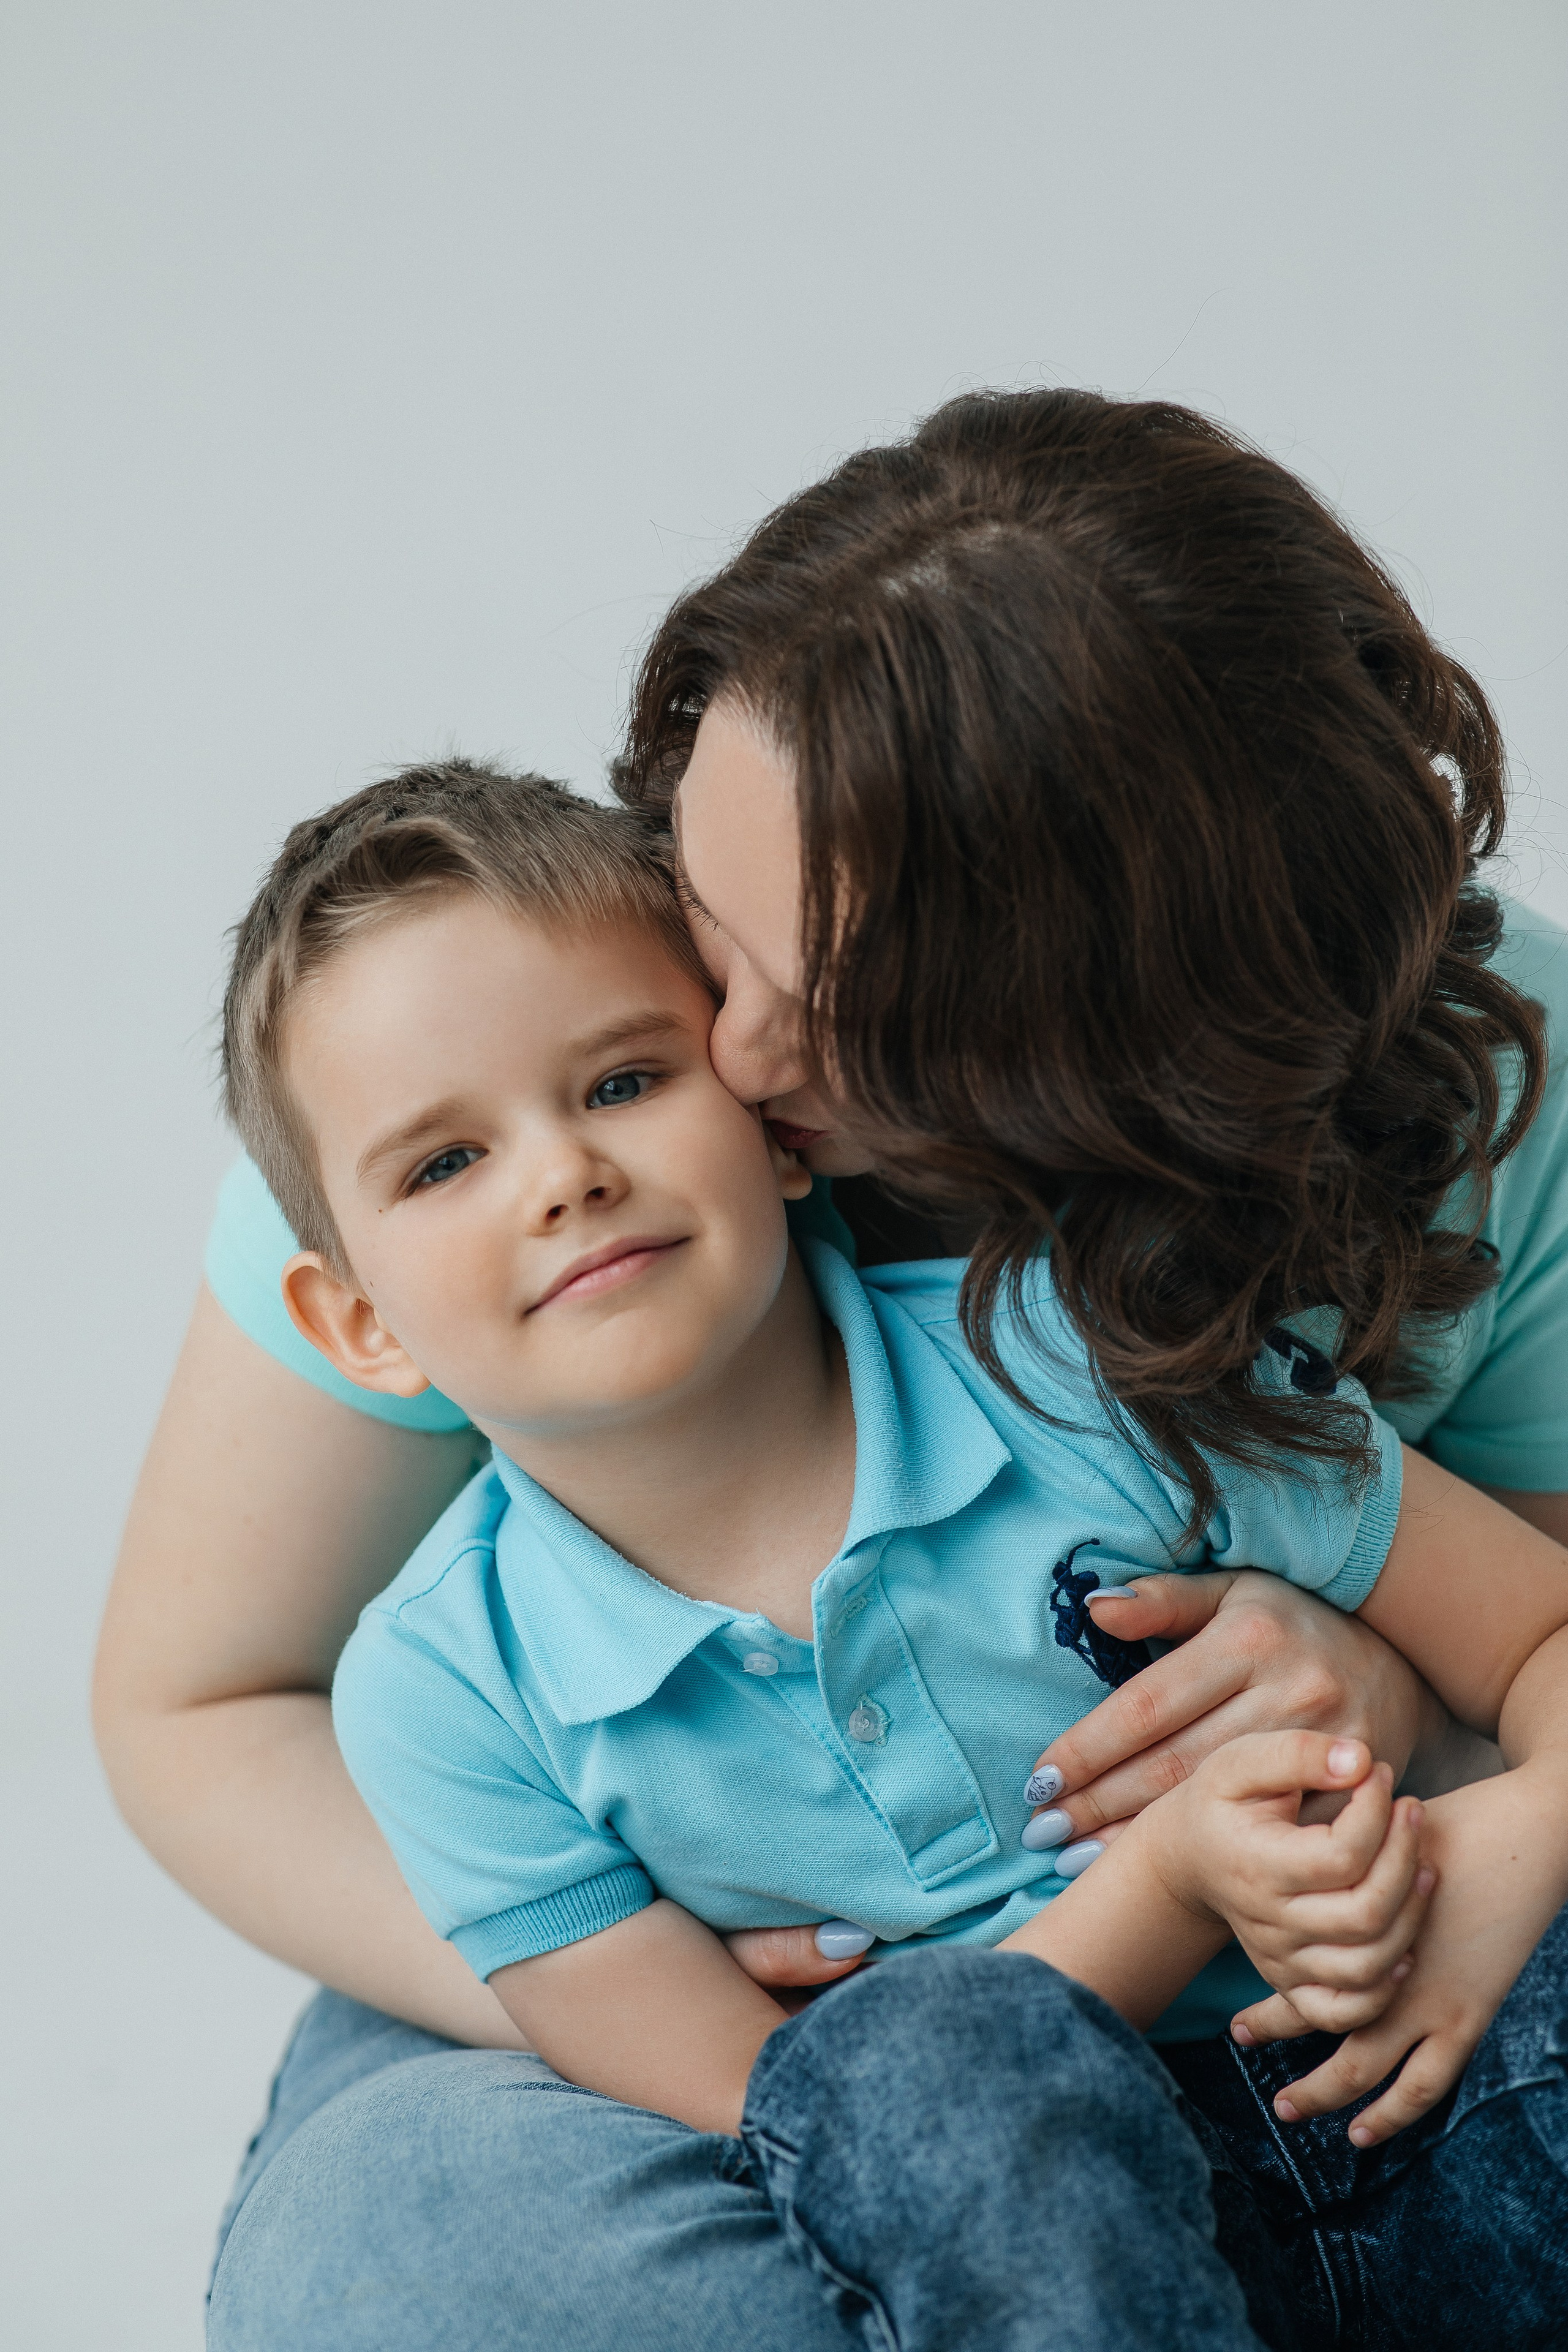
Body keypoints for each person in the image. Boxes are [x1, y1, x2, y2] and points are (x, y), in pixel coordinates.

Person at [92, 388, 1568, 2345]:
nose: (732, 1054)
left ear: (1105, 1051)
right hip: (714, 1992)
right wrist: (715, 1987)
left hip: (1351, 1946)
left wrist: (1415, 1721)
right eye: (709, 923)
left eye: (838, 1004)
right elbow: (207, 1702)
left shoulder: (1444, 1098)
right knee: (420, 2248)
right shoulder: (490, 1055)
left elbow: (1524, 1623)